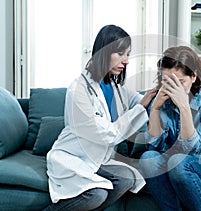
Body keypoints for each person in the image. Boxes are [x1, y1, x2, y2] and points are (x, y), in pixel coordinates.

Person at [44, 24, 157, 211]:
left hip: (98, 159)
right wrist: (141, 106)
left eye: (128, 54)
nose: (126, 60)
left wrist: (170, 90)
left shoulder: (115, 86)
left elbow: (143, 100)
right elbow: (106, 135)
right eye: (121, 54)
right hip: (73, 156)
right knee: (96, 195)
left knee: (128, 179)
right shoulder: (79, 90)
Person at [139, 46, 201, 211]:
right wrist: (154, 109)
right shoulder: (160, 99)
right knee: (148, 157)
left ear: (194, 76)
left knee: (178, 162)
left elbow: (194, 150)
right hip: (175, 161)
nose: (173, 88)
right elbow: (155, 146)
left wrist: (184, 107)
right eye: (167, 81)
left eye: (180, 82)